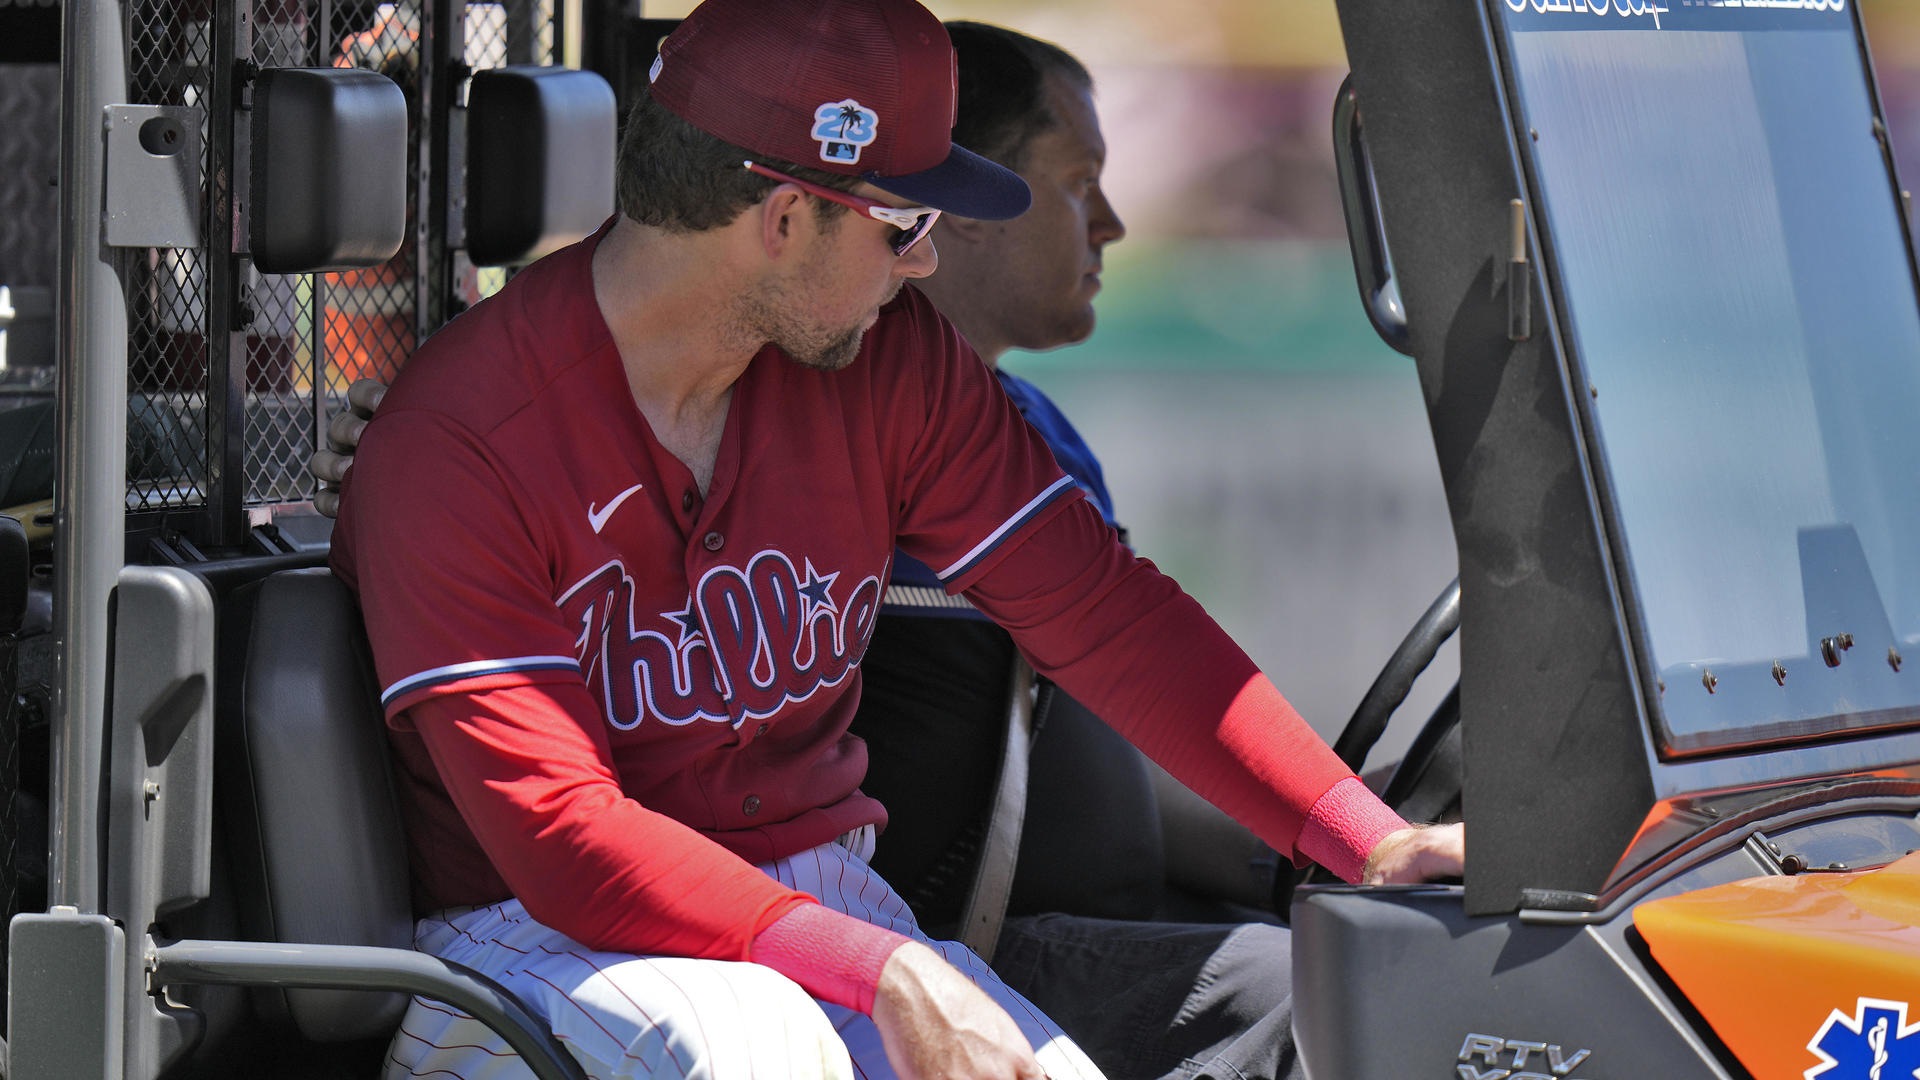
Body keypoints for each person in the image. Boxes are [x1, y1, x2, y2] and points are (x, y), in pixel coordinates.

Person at [326, 4, 1465, 1080]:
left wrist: (1366, 842)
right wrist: (883, 964)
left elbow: (1105, 613)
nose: (925, 262)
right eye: (904, 224)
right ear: (781, 220)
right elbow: (564, 842)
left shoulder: (890, 361)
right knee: (762, 1053)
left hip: (824, 912)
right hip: (539, 941)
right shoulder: (459, 440)